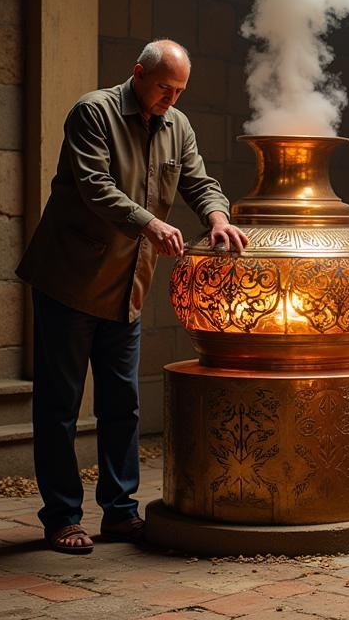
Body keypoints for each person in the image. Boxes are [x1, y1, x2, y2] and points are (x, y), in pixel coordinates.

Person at [17, 39, 248, 555]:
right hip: (69, 282)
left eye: (180, 91)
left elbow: (199, 181)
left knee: (122, 403)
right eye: (165, 87)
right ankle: (61, 518)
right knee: (59, 406)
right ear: (138, 74)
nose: (172, 99)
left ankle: (120, 513)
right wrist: (150, 224)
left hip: (128, 289)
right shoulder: (92, 113)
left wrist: (217, 216)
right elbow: (94, 185)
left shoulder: (178, 125)